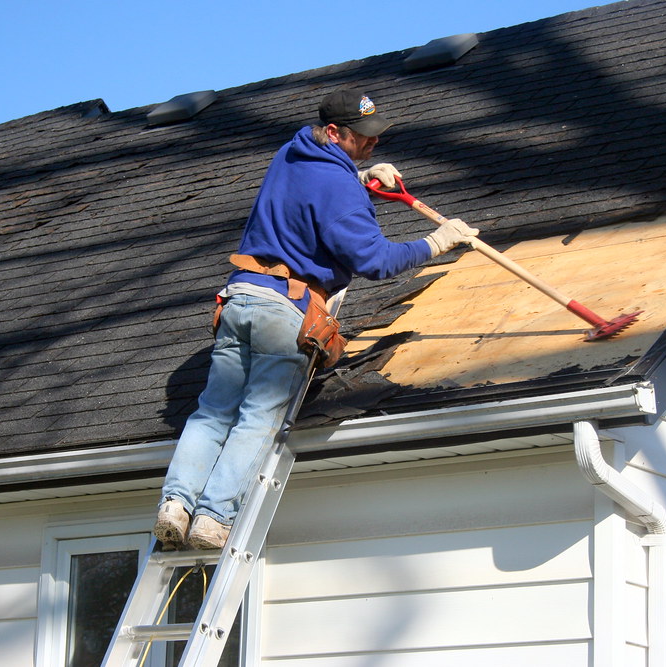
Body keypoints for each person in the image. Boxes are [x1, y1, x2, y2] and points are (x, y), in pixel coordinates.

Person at [154, 88, 479, 549]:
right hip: (284, 309)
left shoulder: (292, 152)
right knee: (258, 418)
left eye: (375, 137)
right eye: (362, 138)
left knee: (212, 412)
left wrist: (361, 172)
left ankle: (176, 503)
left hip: (239, 296)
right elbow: (376, 260)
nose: (373, 143)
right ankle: (213, 517)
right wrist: (437, 241)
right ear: (333, 132)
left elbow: (313, 188)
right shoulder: (340, 190)